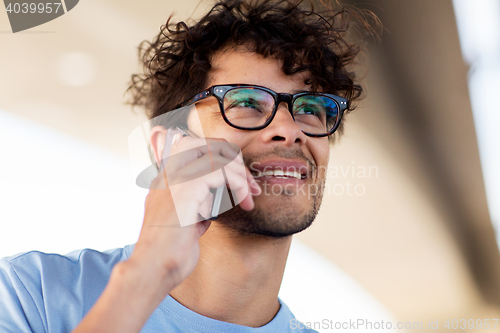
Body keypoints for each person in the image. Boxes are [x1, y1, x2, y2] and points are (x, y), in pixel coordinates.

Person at [0, 0, 376, 332]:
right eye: (245, 102)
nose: (289, 130)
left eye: (311, 109)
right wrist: (147, 276)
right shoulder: (30, 295)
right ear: (168, 148)